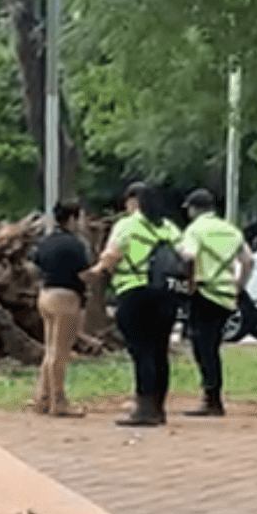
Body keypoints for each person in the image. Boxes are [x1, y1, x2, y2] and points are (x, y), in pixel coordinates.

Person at [83, 183, 182, 427]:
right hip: (166, 294)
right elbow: (187, 257)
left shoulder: (127, 225)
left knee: (141, 350)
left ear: (134, 201)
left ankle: (144, 409)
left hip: (134, 292)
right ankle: (158, 407)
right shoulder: (169, 227)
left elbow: (112, 256)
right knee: (160, 350)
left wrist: (94, 272)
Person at [178, 188, 254, 417]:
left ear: (193, 209)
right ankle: (213, 396)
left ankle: (211, 398)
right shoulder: (230, 230)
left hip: (204, 293)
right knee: (213, 345)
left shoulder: (195, 230)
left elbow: (188, 257)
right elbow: (248, 260)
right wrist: (239, 286)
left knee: (202, 346)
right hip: (225, 295)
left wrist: (189, 283)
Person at [30, 202, 91, 417]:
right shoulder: (76, 245)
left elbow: (34, 266)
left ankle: (42, 398)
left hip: (45, 295)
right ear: (72, 219)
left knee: (50, 350)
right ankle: (59, 401)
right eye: (80, 218)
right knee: (61, 353)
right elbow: (84, 274)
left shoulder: (44, 241)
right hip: (66, 298)